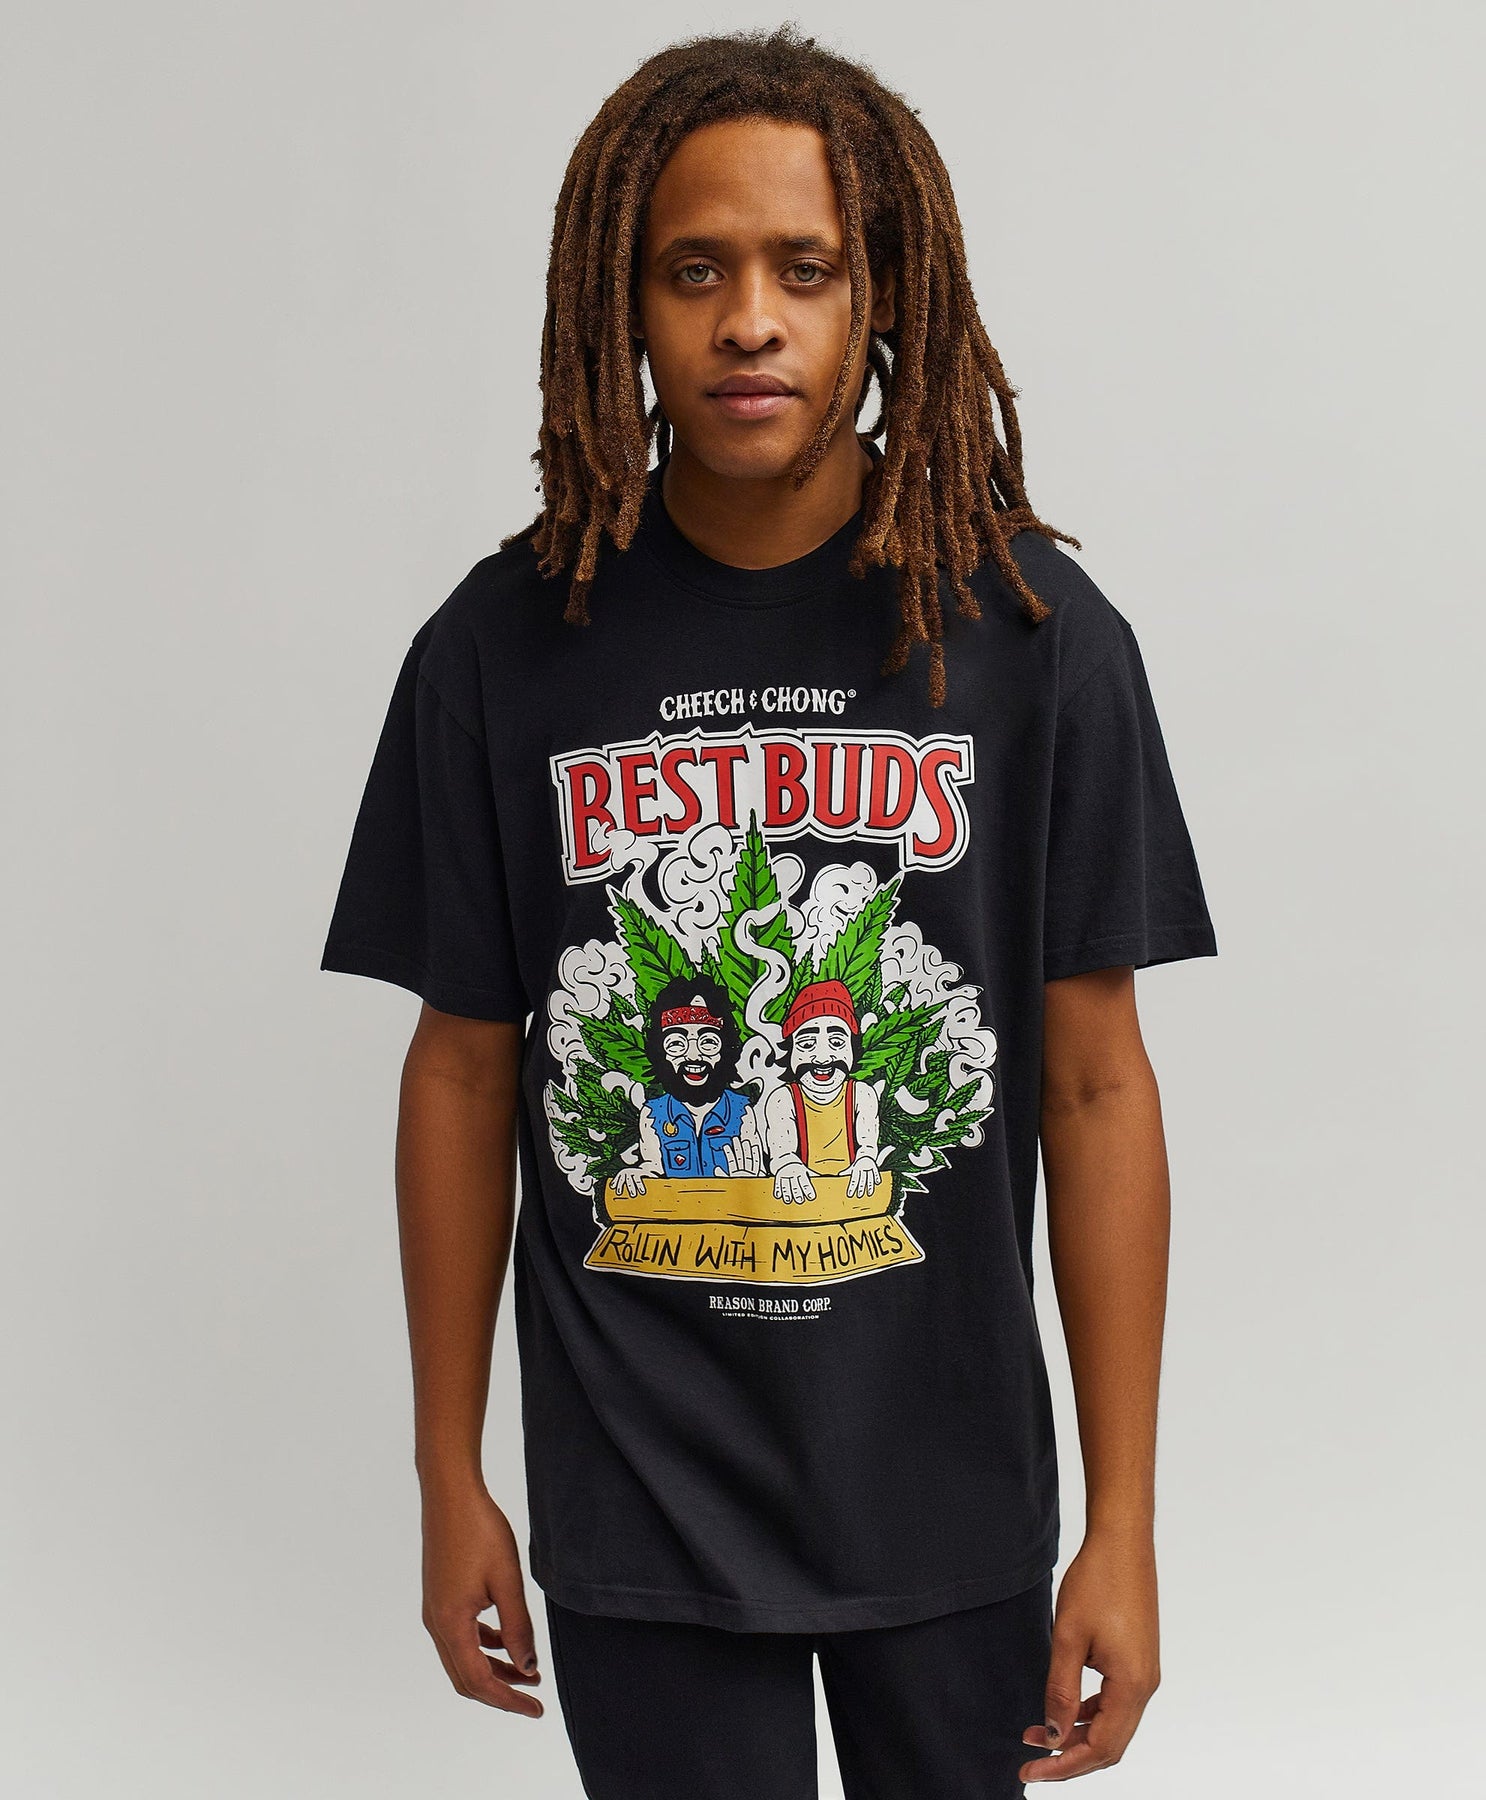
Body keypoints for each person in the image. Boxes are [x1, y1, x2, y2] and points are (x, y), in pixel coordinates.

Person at [320, 25, 1218, 1797]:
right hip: (642, 1499)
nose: (750, 321)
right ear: (620, 305)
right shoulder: (503, 646)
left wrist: (1123, 1523)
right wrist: (447, 1473)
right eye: (695, 271)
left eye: (805, 269)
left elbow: (1099, 1083)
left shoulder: (1036, 640)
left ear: (884, 299)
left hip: (948, 1490)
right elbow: (465, 1074)